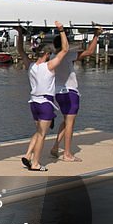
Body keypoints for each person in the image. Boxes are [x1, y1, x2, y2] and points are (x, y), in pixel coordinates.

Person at [16, 22, 68, 172]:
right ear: (46, 54)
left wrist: (20, 33)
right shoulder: (49, 66)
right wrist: (62, 30)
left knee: (38, 132)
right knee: (42, 135)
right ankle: (36, 163)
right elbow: (65, 49)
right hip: (45, 103)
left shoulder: (31, 65)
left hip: (34, 103)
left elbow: (20, 50)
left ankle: (28, 155)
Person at [49, 26, 101, 161]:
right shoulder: (67, 55)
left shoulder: (52, 57)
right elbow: (89, 52)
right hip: (70, 92)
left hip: (58, 92)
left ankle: (55, 147)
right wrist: (96, 36)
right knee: (70, 123)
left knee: (67, 120)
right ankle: (67, 153)